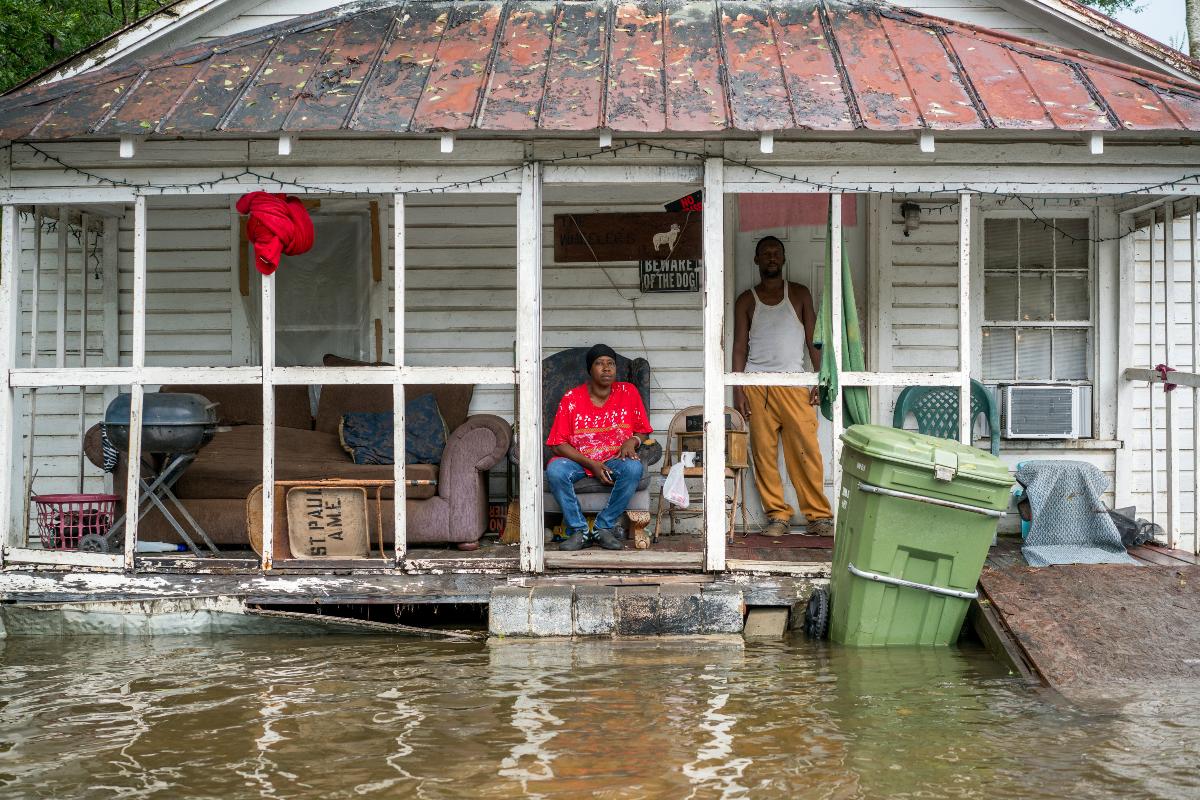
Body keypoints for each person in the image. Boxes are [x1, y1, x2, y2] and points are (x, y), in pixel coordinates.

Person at [731, 236, 835, 538]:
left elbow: (813, 340)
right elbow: (739, 346)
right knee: (764, 454)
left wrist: (818, 377)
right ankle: (777, 516)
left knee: (806, 451)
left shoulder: (799, 294)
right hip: (758, 384)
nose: (771, 258)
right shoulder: (747, 300)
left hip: (794, 383)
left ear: (784, 258)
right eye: (766, 254)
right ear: (757, 260)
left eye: (776, 253)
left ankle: (818, 517)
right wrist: (738, 388)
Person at [545, 344, 653, 551]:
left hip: (615, 459)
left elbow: (642, 431)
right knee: (556, 470)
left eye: (611, 363)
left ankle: (603, 527)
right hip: (578, 460)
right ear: (589, 369)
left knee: (633, 468)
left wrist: (632, 441)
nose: (606, 368)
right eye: (599, 364)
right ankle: (580, 531)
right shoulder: (572, 398)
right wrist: (592, 464)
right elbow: (558, 444)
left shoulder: (628, 392)